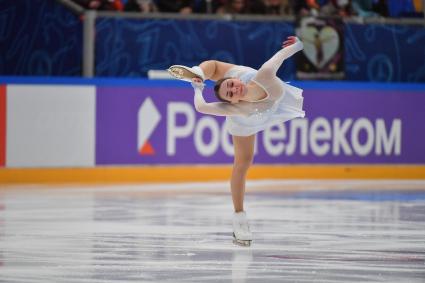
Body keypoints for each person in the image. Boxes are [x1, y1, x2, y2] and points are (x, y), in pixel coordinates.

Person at [168, 36, 305, 246]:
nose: (234, 89)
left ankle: (199, 72)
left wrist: (298, 44)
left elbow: (282, 55)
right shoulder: (234, 108)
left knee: (214, 67)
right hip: (247, 116)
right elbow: (201, 107)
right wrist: (197, 90)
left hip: (267, 98)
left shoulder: (262, 74)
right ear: (230, 101)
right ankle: (239, 218)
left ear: (236, 81)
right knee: (243, 163)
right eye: (230, 93)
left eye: (232, 85)